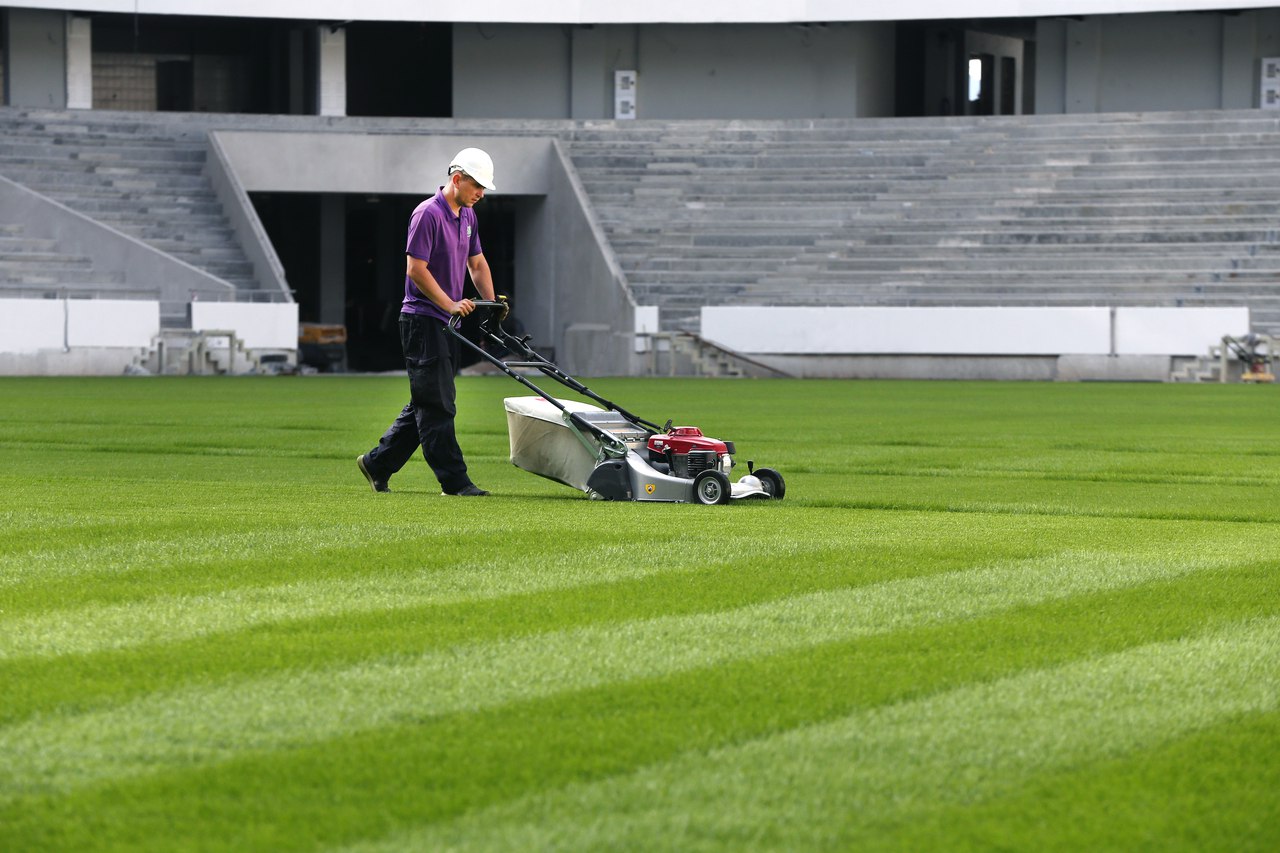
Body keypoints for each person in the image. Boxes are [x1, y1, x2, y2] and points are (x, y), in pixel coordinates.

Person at [357, 148, 499, 497]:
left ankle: (377, 463)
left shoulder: (467, 217)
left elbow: (476, 264)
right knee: (438, 404)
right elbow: (415, 270)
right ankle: (454, 481)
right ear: (457, 179)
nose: (481, 193)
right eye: (477, 185)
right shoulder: (427, 214)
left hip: (447, 322)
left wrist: (492, 307)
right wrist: (450, 303)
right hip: (422, 321)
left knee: (427, 400)